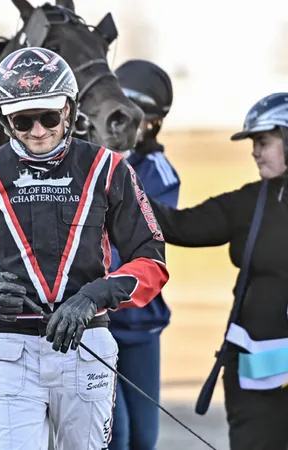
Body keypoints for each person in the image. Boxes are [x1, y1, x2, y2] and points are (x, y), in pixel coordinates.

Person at [0, 47, 170, 450]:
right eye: (22, 121)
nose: (38, 131)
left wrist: (94, 297)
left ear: (69, 110)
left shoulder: (109, 168)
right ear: (5, 120)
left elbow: (152, 262)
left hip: (86, 346)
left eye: (49, 117)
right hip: (10, 350)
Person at [148, 92, 288, 450]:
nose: (255, 152)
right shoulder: (249, 201)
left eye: (263, 142)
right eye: (254, 143)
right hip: (254, 382)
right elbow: (180, 226)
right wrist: (119, 186)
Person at [107, 59, 180, 450]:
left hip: (138, 325)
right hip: (92, 325)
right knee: (114, 435)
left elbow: (138, 248)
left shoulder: (159, 174)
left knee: (143, 439)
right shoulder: (84, 162)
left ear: (153, 124)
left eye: (133, 117)